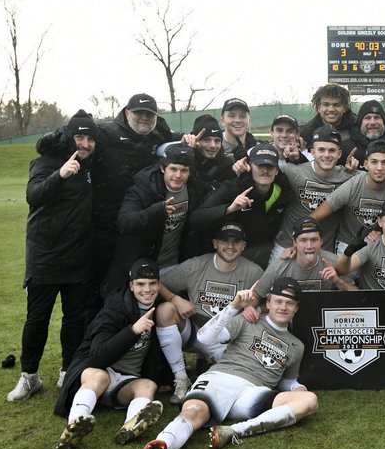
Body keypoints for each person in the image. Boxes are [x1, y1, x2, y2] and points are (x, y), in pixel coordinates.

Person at [136, 278, 318, 449]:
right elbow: (204, 338)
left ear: (296, 307)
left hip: (252, 393)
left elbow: (288, 380)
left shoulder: (296, 346)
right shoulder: (246, 320)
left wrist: (297, 388)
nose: (283, 307)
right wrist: (234, 307)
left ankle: (234, 431)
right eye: (278, 301)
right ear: (268, 303)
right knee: (194, 412)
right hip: (220, 378)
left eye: (289, 303)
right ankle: (162, 445)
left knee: (309, 400)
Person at [35, 92, 176, 305]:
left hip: (138, 225)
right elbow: (73, 135)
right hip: (102, 227)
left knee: (130, 288)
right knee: (97, 290)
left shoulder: (159, 136)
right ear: (127, 112)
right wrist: (47, 143)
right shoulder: (107, 132)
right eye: (139, 113)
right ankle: (96, 334)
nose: (145, 118)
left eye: (150, 114)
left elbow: (181, 143)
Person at [9, 111, 100, 401]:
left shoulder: (91, 166)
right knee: (37, 319)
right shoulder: (46, 162)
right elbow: (34, 195)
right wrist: (60, 175)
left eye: (90, 138)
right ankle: (29, 377)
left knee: (74, 319)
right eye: (79, 137)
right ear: (68, 136)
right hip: (45, 257)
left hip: (78, 257)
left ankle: (68, 373)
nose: (85, 144)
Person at [53, 259, 170, 449]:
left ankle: (130, 426)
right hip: (97, 372)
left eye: (152, 284)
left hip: (126, 382)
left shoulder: (160, 309)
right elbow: (97, 357)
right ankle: (75, 424)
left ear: (159, 285)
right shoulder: (114, 308)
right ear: (131, 286)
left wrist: (168, 379)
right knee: (100, 376)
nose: (147, 289)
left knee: (148, 385)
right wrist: (132, 331)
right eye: (140, 284)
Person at [155, 221, 265, 404]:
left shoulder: (253, 271)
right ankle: (181, 378)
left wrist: (255, 307)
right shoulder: (195, 266)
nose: (230, 246)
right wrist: (175, 299)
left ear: (243, 246)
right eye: (225, 241)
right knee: (165, 310)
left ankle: (209, 372)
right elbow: (157, 283)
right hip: (193, 330)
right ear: (215, 243)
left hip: (226, 339)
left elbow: (271, 301)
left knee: (234, 377)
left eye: (236, 242)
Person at [111, 143, 205, 289]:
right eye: (173, 169)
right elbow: (125, 222)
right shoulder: (144, 188)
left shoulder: (195, 190)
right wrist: (157, 211)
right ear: (162, 168)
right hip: (142, 266)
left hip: (173, 264)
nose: (178, 175)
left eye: (184, 170)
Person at [192, 143, 295, 268]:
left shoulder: (284, 191)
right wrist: (230, 209)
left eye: (270, 166)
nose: (265, 171)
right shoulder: (233, 187)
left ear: (277, 170)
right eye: (260, 165)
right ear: (250, 166)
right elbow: (196, 218)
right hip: (229, 256)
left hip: (263, 257)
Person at [271, 126, 354, 260]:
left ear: (339, 154)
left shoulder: (348, 177)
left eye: (332, 150)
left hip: (323, 249)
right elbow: (263, 169)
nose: (326, 155)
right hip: (286, 245)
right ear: (312, 152)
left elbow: (377, 176)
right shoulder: (294, 171)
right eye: (321, 150)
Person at [254, 217, 356, 296]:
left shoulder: (333, 261)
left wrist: (338, 281)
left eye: (314, 240)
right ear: (294, 243)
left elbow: (357, 294)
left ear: (321, 241)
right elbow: (257, 296)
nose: (309, 246)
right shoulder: (279, 266)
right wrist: (256, 309)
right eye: (303, 240)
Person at [184, 114, 237, 200]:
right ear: (196, 140)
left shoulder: (227, 165)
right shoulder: (184, 162)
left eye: (217, 140)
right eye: (206, 140)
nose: (213, 145)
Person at [299, 83, 356, 153]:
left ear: (345, 107)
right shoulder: (306, 133)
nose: (331, 109)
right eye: (326, 104)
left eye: (337, 105)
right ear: (318, 107)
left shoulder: (358, 127)